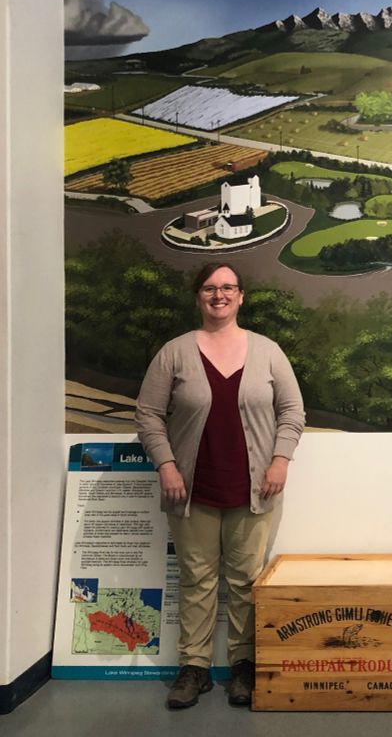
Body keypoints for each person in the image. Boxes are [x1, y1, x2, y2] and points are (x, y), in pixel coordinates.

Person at [135, 262, 305, 709]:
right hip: (191, 491)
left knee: (248, 581)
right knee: (197, 580)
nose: (219, 295)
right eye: (210, 288)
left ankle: (243, 667)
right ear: (198, 296)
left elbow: (292, 411)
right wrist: (167, 465)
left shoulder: (267, 351)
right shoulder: (174, 353)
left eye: (228, 287)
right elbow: (148, 414)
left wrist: (280, 460)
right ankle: (194, 668)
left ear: (241, 296)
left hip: (254, 489)